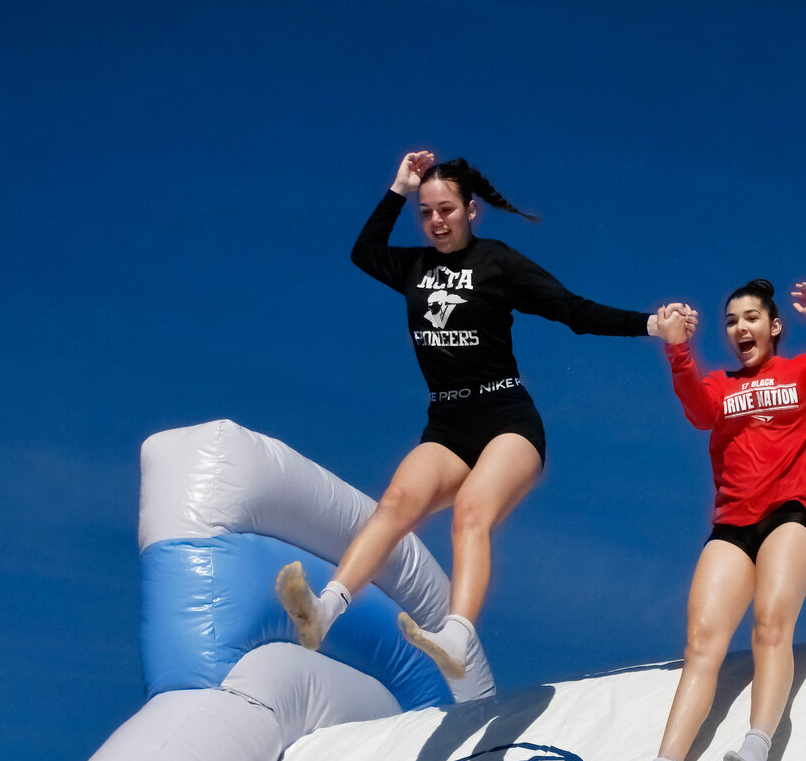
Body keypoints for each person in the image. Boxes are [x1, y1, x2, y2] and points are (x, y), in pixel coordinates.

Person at [277, 150, 693, 696]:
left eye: (446, 209)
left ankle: (457, 637)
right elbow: (364, 251)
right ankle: (325, 612)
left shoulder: (497, 262)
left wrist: (650, 325)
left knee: (472, 510)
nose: (436, 222)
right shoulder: (413, 269)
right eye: (425, 213)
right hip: (447, 421)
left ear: (472, 210)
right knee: (396, 503)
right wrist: (399, 188)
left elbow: (573, 310)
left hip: (507, 419)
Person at [620, 278, 806, 761]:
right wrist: (677, 347)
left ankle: (757, 741)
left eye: (750, 318)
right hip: (733, 524)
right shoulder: (721, 386)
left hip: (792, 513)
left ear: (774, 326)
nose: (740, 328)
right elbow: (698, 410)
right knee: (702, 643)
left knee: (770, 621)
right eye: (731, 321)